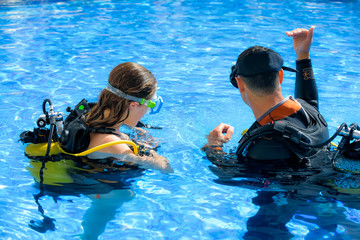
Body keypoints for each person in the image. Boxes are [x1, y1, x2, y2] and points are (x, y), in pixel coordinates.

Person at [203, 26, 329, 167]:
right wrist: (303, 55)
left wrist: (213, 147)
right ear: (280, 76)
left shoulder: (265, 145)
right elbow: (309, 99)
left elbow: (228, 175)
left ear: (240, 83)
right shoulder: (309, 112)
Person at [63, 62, 173, 173]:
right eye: (149, 106)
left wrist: (140, 133)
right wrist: (156, 155)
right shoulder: (114, 145)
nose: (146, 112)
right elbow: (165, 168)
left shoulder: (91, 113)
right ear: (133, 105)